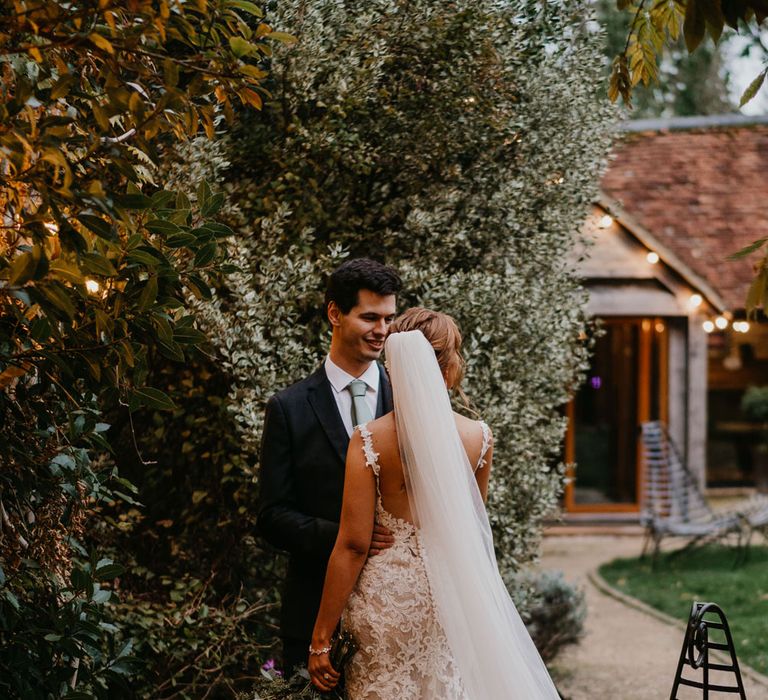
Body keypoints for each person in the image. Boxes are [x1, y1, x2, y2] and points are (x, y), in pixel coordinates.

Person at [308, 308, 561, 699]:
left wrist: (321, 637)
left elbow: (354, 544)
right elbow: (471, 526)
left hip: (387, 602)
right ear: (448, 365)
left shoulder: (370, 439)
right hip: (453, 600)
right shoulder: (479, 436)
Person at [258, 258, 402, 676]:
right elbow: (270, 516)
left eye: (389, 318)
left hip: (399, 611)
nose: (382, 331)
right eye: (370, 317)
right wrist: (345, 537)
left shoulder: (411, 401)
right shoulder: (289, 408)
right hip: (314, 609)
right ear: (335, 314)